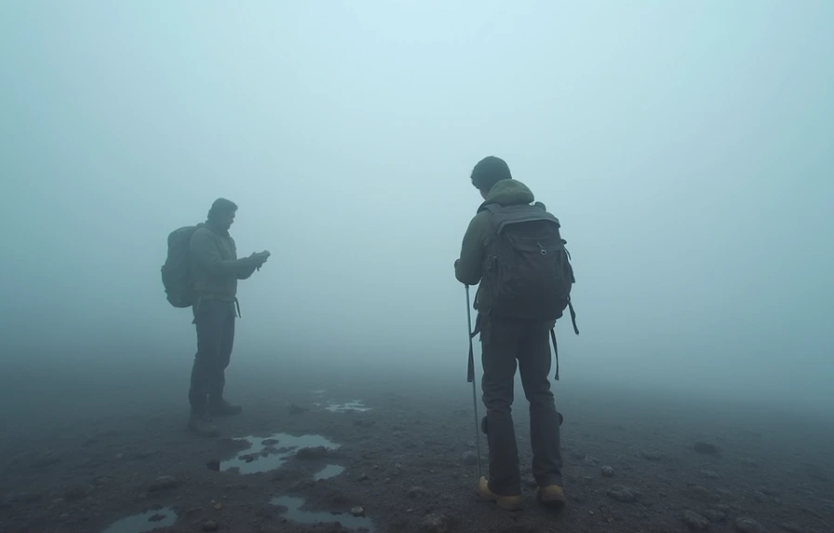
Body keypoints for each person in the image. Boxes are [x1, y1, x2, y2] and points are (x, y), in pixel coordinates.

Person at [454, 156, 568, 511]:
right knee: (541, 394)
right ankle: (550, 483)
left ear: (484, 186)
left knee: (499, 400)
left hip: (500, 321)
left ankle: (506, 489)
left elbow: (468, 275)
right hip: (540, 321)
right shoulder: (541, 215)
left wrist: (459, 266)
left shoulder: (485, 219)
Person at [187, 198, 270, 437]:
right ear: (216, 214)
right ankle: (197, 413)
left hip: (226, 304)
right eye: (229, 215)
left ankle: (216, 401)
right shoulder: (203, 236)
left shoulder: (227, 238)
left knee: (222, 355)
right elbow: (216, 267)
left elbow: (237, 273)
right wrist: (246, 262)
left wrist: (253, 263)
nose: (232, 219)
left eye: (233, 216)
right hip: (208, 303)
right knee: (207, 355)